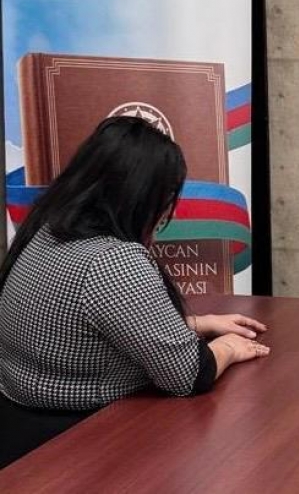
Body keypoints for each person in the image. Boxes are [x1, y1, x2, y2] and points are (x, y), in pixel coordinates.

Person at [0, 116, 269, 468]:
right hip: (79, 443)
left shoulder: (46, 230)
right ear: (145, 196)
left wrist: (196, 323)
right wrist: (228, 348)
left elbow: (84, 327)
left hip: (20, 430)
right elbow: (187, 375)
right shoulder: (114, 260)